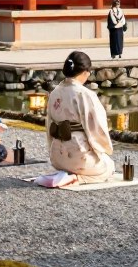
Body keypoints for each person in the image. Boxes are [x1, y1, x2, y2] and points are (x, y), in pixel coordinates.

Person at [42, 51, 114, 186]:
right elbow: (98, 127)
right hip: (78, 156)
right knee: (108, 167)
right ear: (85, 72)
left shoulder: (55, 92)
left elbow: (49, 124)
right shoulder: (84, 94)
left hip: (57, 157)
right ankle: (76, 179)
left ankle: (66, 172)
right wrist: (102, 148)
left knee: (100, 161)